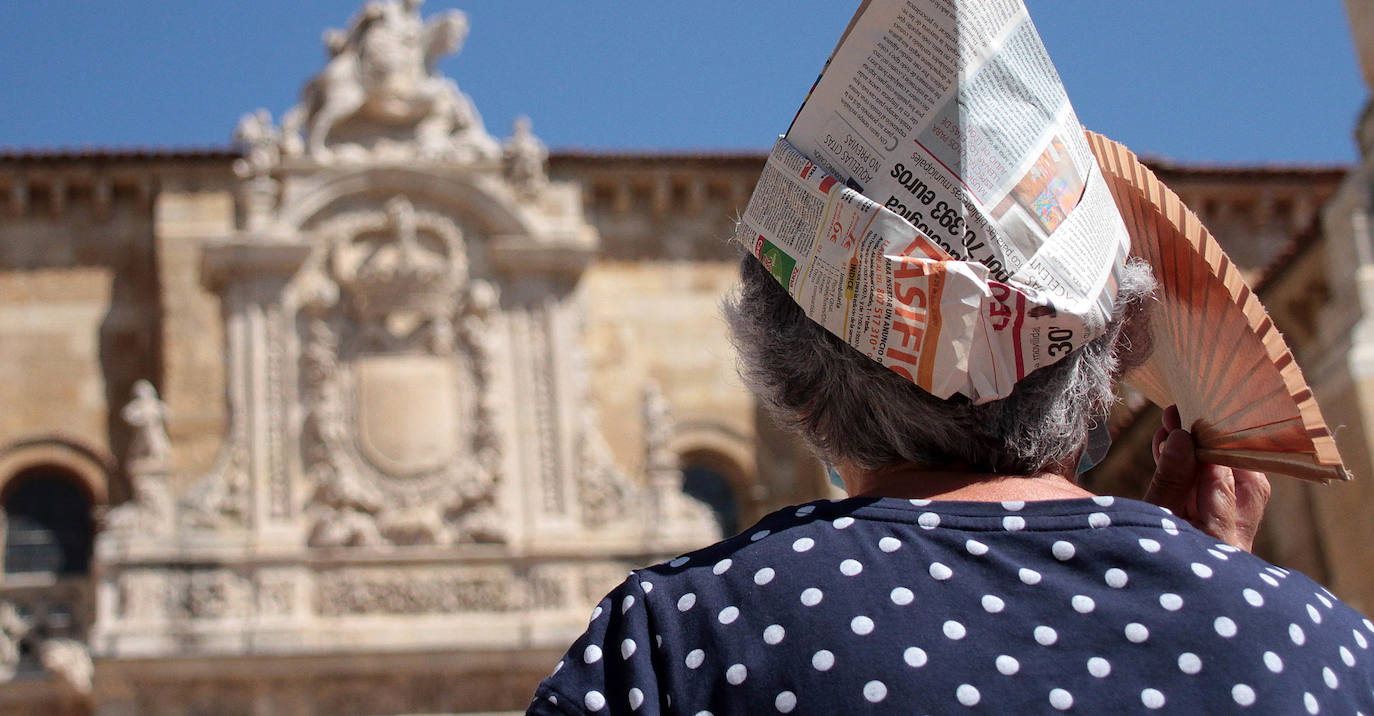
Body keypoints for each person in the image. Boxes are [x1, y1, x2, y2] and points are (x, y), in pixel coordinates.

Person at [528, 256, 1374, 714]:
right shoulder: (1326, 649)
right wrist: (1213, 595)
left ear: (800, 388)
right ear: (1109, 354)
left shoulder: (686, 638)